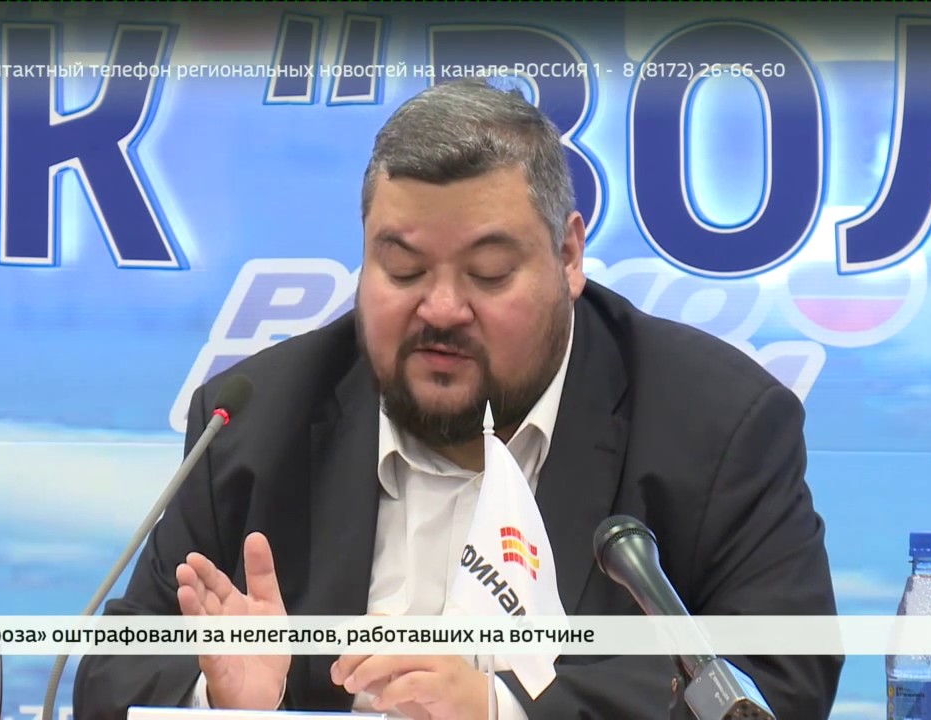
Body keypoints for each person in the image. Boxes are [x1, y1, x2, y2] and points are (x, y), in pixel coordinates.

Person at [73, 79, 843, 719]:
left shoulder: (715, 425)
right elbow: (111, 679)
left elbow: (779, 679)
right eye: (403, 270)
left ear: (568, 256)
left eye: (488, 273)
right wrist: (224, 700)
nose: (440, 309)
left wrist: (501, 711)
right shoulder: (253, 422)